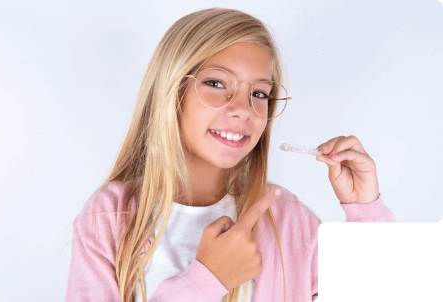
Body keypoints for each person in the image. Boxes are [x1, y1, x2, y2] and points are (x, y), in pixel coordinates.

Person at [65, 7, 396, 302]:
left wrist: (367, 210)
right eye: (217, 83)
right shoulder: (110, 216)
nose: (243, 109)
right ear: (171, 89)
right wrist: (207, 281)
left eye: (259, 93)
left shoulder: (289, 220)